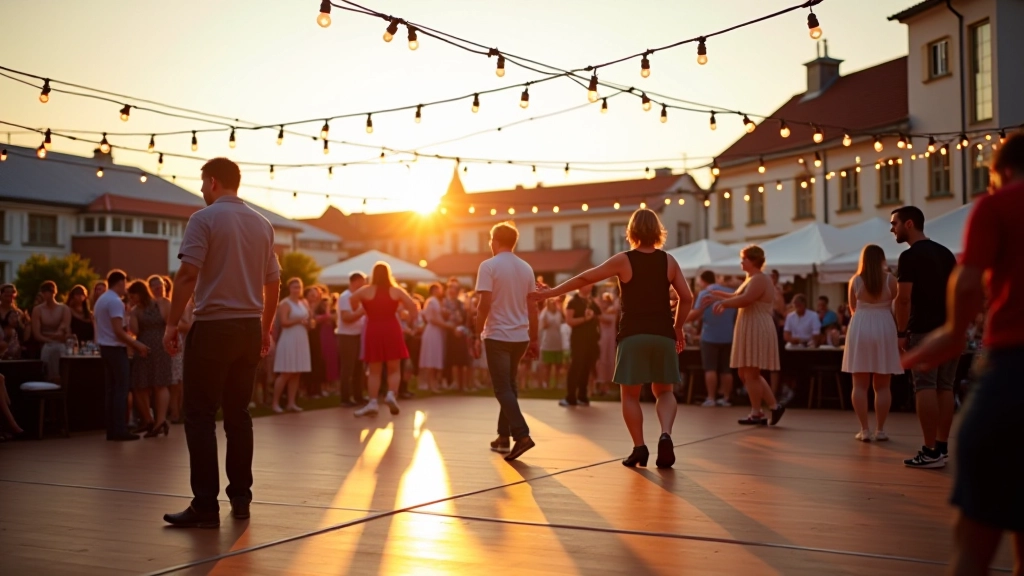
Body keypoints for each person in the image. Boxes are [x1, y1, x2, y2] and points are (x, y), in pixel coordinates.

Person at [902, 132, 1024, 576]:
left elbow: (970, 281)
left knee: (976, 532)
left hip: (1014, 363)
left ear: (1003, 171)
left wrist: (954, 333)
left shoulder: (998, 204)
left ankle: (932, 447)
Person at [162, 157, 280, 528]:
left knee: (199, 415)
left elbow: (186, 275)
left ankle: (204, 505)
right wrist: (266, 326)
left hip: (213, 327)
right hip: (248, 329)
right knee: (238, 416)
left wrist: (170, 324)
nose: (200, 191)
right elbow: (273, 282)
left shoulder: (204, 219)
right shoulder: (262, 224)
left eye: (201, 184)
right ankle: (241, 499)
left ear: (213, 182)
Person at [531, 209, 692, 468]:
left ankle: (639, 448)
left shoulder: (624, 260)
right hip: (663, 334)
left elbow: (586, 277)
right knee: (664, 391)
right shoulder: (669, 261)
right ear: (657, 231)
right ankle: (665, 434)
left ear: (632, 231)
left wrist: (552, 293)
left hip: (633, 335)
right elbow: (687, 297)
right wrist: (678, 327)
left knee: (630, 395)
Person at [891, 205, 957, 468]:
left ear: (909, 224)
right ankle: (941, 446)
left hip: (924, 330)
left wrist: (901, 332)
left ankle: (930, 451)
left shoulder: (909, 257)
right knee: (946, 386)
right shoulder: (946, 254)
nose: (891, 228)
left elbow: (903, 299)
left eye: (894, 223)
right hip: (950, 330)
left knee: (925, 386)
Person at [472, 221, 538, 461]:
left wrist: (475, 333)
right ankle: (502, 437)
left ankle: (521, 435)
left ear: (494, 241)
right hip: (520, 336)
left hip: (498, 335)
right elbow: (532, 308)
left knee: (502, 388)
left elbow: (484, 304)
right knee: (509, 385)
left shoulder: (488, 266)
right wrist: (534, 338)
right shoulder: (526, 268)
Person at [708, 245, 786, 426]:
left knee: (750, 371)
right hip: (751, 324)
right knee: (746, 371)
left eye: (744, 259)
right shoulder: (752, 278)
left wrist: (723, 303)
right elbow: (736, 295)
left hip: (756, 324)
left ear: (753, 261)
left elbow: (746, 299)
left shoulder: (760, 278)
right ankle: (772, 407)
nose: (741, 262)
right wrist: (715, 295)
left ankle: (758, 411)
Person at [842, 245, 902, 442]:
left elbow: (852, 308)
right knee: (883, 385)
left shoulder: (855, 281)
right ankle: (881, 430)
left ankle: (864, 430)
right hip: (884, 326)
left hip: (861, 326)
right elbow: (897, 304)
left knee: (859, 384)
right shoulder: (891, 280)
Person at [350, 262, 419, 417]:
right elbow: (413, 306)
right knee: (394, 367)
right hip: (392, 328)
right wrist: (410, 321)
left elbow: (352, 302)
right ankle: (390, 394)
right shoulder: (395, 290)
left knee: (374, 370)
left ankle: (373, 402)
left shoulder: (366, 290)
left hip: (373, 328)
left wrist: (364, 308)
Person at [95, 270, 148, 441]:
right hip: (116, 349)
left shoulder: (101, 299)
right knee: (121, 390)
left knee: (111, 390)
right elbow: (118, 331)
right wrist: (136, 344)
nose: (126, 287)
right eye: (124, 283)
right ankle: (120, 429)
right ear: (119, 283)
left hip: (105, 347)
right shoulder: (115, 301)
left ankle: (111, 429)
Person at [127, 280, 172, 437]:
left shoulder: (161, 303)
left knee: (160, 383)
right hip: (142, 348)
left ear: (140, 294)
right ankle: (149, 420)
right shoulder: (135, 310)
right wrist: (130, 314)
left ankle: (160, 421)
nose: (132, 300)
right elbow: (135, 330)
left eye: (133, 296)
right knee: (140, 385)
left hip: (160, 346)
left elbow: (171, 322)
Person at [688, 271, 736, 407]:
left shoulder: (705, 294)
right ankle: (726, 398)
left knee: (710, 368)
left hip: (709, 336)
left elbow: (696, 313)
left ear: (703, 280)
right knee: (726, 369)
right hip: (728, 335)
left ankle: (711, 397)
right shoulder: (729, 292)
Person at [272, 278, 312, 413]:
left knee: (297, 373)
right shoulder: (285, 303)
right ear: (290, 288)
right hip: (289, 338)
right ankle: (275, 403)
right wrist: (299, 320)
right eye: (294, 287)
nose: (297, 290)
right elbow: (284, 322)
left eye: (299, 287)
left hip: (301, 338)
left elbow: (308, 319)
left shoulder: (303, 302)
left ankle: (291, 403)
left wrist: (308, 323)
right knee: (286, 372)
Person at [562, 285, 601, 407]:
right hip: (579, 340)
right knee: (576, 367)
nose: (588, 287)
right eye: (586, 285)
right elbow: (569, 321)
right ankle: (571, 397)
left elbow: (599, 316)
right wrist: (585, 319)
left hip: (591, 340)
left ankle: (583, 396)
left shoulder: (591, 301)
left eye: (590, 285)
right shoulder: (573, 302)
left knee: (587, 367)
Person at [336, 272, 367, 407]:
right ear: (356, 282)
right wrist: (362, 311)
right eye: (363, 282)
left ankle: (358, 396)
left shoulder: (359, 297)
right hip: (347, 336)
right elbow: (346, 318)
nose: (364, 285)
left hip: (358, 334)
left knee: (358, 368)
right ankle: (345, 398)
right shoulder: (345, 297)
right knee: (348, 368)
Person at [31, 281, 71, 382]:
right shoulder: (38, 310)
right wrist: (49, 339)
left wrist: (60, 333)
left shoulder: (64, 308)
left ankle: (61, 379)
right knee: (49, 349)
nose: (46, 294)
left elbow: (64, 326)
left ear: (54, 292)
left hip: (61, 342)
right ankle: (48, 379)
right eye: (44, 292)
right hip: (45, 343)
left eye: (48, 292)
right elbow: (37, 334)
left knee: (60, 348)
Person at [443, 279, 473, 392]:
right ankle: (456, 383)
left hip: (462, 332)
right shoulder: (444, 302)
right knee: (454, 360)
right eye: (450, 287)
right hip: (451, 333)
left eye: (454, 288)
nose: (452, 290)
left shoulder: (461, 303)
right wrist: (453, 327)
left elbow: (465, 318)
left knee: (464, 360)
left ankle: (464, 385)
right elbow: (444, 317)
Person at [419, 283, 448, 393]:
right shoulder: (432, 301)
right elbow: (434, 319)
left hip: (436, 332)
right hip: (433, 331)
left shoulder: (436, 302)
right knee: (431, 358)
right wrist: (448, 326)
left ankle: (434, 384)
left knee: (435, 357)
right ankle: (431, 384)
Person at [302, 285, 327, 400]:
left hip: (317, 336)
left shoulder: (320, 306)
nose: (313, 295)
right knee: (309, 362)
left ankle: (318, 389)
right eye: (311, 294)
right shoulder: (303, 306)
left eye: (315, 293)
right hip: (306, 336)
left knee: (318, 361)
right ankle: (309, 390)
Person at [595, 291, 619, 396]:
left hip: (610, 340)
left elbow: (607, 318)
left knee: (609, 361)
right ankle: (599, 384)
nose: (604, 303)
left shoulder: (612, 311)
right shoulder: (601, 313)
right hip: (602, 339)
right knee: (601, 361)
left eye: (606, 301)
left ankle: (606, 386)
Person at [538, 299, 566, 389]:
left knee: (558, 365)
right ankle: (546, 383)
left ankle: (557, 383)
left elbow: (564, 322)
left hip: (558, 342)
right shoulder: (545, 313)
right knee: (547, 365)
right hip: (547, 342)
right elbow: (542, 325)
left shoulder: (559, 312)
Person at [0, 284, 30, 360]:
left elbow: (24, 336)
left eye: (12, 292)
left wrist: (28, 324)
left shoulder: (18, 313)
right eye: (6, 292)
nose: (9, 294)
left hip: (13, 350)